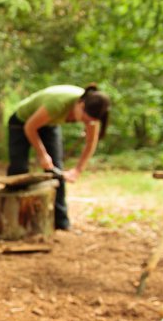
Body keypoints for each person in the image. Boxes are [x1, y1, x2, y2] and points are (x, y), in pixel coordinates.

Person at [6, 84, 111, 230]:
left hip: (50, 123)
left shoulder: (94, 111)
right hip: (22, 121)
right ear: (80, 104)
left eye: (89, 122)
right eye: (85, 119)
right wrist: (42, 154)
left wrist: (78, 170)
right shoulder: (57, 103)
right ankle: (12, 220)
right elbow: (29, 127)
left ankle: (61, 222)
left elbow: (90, 142)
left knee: (56, 171)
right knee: (19, 169)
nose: (86, 124)